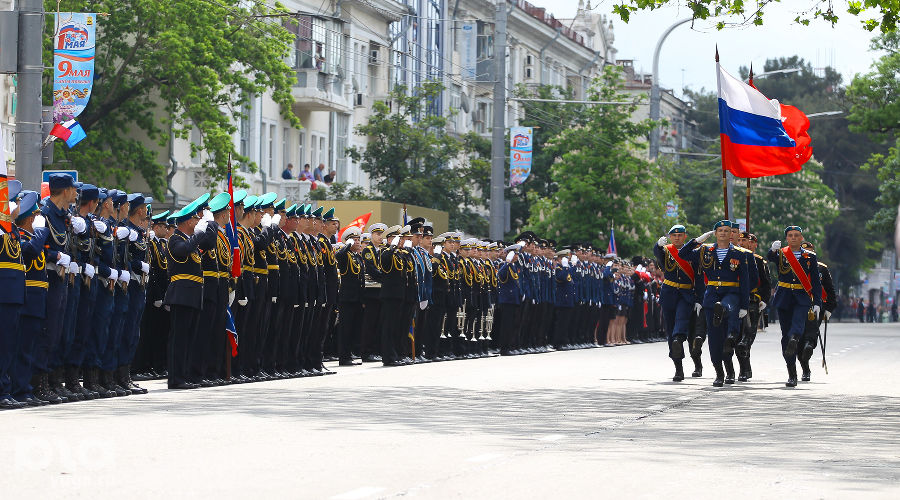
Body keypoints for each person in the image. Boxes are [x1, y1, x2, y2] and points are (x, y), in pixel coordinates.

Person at [680, 221, 751, 387]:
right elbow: (683, 254)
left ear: (731, 234)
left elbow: (746, 281)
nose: (724, 233)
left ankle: (731, 371)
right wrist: (697, 240)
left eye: (727, 231)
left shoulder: (739, 253)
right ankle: (720, 372)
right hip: (712, 293)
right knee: (715, 338)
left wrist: (744, 305)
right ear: (715, 233)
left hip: (731, 293)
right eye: (720, 230)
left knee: (727, 329)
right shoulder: (706, 250)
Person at [767, 225, 822, 387]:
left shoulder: (810, 257)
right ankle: (792, 373)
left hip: (802, 297)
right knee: (785, 334)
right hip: (784, 296)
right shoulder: (782, 253)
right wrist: (772, 249)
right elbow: (770, 258)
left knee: (798, 325)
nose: (793, 238)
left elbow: (816, 282)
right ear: (786, 238)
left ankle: (795, 338)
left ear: (801, 238)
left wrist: (817, 302)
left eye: (796, 235)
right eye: (790, 235)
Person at [653, 224, 696, 382]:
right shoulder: (666, 250)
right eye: (674, 235)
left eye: (680, 235)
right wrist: (657, 245)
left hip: (686, 293)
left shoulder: (692, 252)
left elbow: (698, 275)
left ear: (685, 236)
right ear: (670, 237)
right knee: (670, 330)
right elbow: (658, 255)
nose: (677, 238)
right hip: (669, 293)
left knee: (681, 320)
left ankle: (679, 338)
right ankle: (678, 367)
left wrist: (698, 298)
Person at [798, 241, 835, 382]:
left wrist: (829, 308)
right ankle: (805, 368)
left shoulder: (821, 268)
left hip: (817, 305)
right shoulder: (793, 267)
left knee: (811, 332)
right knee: (799, 338)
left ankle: (809, 346)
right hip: (798, 305)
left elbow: (830, 290)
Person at [336, 226, 365, 366]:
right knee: (345, 328)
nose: (358, 242)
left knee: (354, 328)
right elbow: (339, 256)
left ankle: (350, 354)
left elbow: (361, 278)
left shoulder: (356, 256)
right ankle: (344, 356)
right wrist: (347, 245)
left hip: (357, 297)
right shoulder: (345, 255)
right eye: (354, 240)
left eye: (358, 239)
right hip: (347, 297)